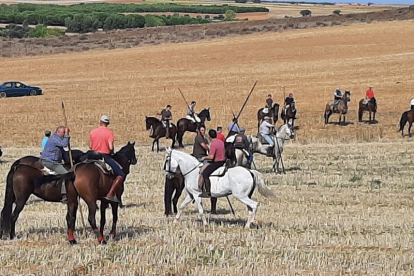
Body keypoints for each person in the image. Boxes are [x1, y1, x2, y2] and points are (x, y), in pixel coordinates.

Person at [89, 115, 125, 204]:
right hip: (104, 156)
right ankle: (110, 193)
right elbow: (110, 146)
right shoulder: (109, 133)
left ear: (100, 122)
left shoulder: (93, 132)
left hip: (91, 156)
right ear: (107, 123)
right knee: (121, 174)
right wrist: (111, 151)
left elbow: (90, 146)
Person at [40, 126, 70, 203]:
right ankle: (64, 195)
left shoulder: (58, 138)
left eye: (64, 132)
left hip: (55, 161)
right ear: (58, 132)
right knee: (66, 174)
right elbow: (64, 144)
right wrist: (67, 134)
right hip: (50, 161)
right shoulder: (55, 138)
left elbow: (62, 151)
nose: (64, 134)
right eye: (63, 132)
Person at [199, 129, 226, 198]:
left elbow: (211, 157)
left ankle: (208, 192)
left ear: (209, 136)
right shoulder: (221, 142)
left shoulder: (213, 144)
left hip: (217, 162)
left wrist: (204, 158)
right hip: (223, 161)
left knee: (205, 173)